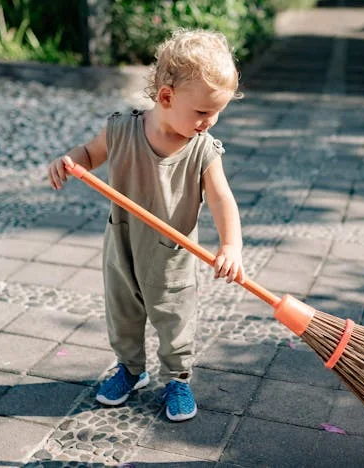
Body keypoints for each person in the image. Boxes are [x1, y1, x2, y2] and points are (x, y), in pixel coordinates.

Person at [47, 29, 244, 422]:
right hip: (122, 245)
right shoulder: (121, 129)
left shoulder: (202, 149)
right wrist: (69, 162)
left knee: (174, 319)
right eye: (203, 112)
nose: (210, 121)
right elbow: (89, 153)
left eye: (216, 112)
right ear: (167, 97)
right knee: (123, 312)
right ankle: (130, 369)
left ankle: (177, 378)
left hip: (171, 255)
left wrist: (231, 246)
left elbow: (222, 198)